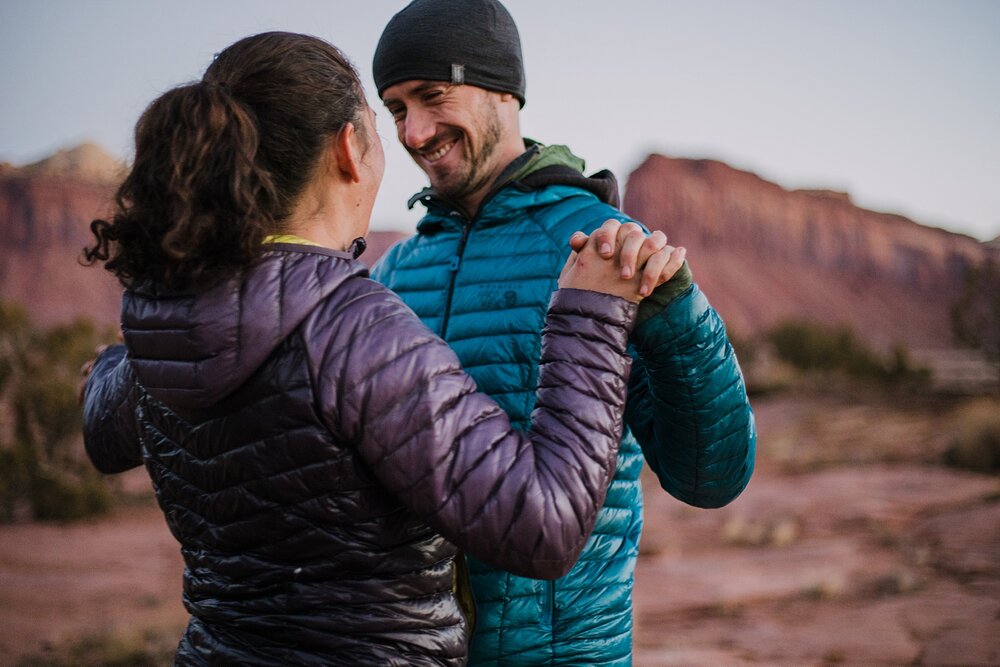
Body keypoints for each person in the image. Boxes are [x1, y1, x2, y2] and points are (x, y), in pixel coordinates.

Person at [80, 31, 679, 666]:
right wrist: (589, 317)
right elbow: (544, 526)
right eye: (382, 116)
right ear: (349, 148)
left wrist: (114, 362)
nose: (409, 137)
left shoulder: (168, 320)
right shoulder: (351, 328)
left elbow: (103, 432)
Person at [371, 1, 758, 664]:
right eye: (397, 108)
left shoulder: (595, 246)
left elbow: (709, 477)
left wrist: (677, 319)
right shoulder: (396, 271)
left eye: (433, 97)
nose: (414, 132)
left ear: (503, 88)